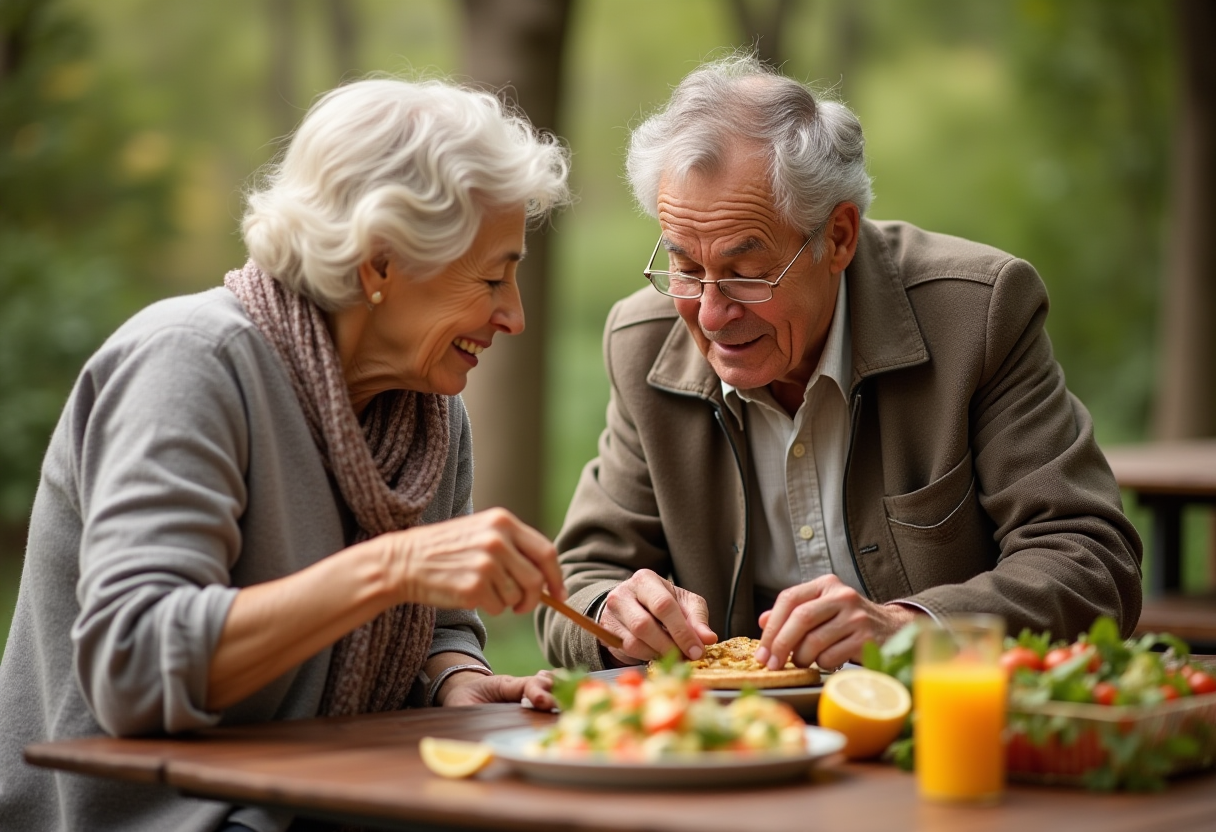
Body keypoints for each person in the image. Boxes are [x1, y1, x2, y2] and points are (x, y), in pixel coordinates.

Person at [0, 77, 570, 832]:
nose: (515, 315)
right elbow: (133, 668)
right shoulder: (191, 362)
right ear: (378, 264)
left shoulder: (429, 416)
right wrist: (390, 568)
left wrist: (453, 678)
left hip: (328, 798)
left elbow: (435, 628)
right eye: (493, 276)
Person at [537, 54, 1142, 675]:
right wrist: (613, 614)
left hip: (940, 718)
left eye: (748, 274)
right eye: (686, 268)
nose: (711, 315)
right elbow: (576, 583)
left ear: (839, 237)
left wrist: (906, 631)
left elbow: (1090, 561)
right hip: (736, 728)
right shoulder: (642, 343)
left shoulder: (978, 314)